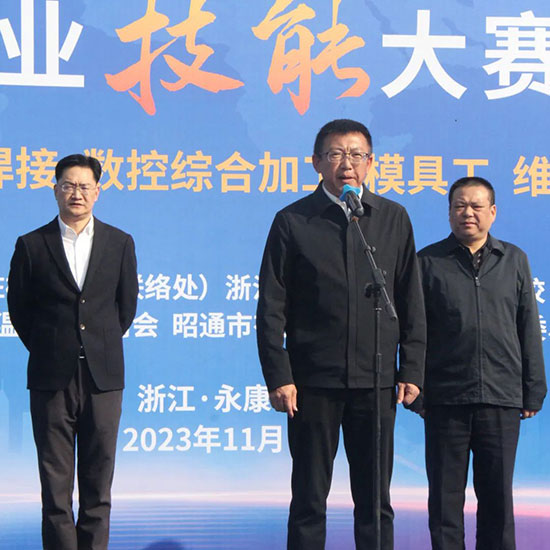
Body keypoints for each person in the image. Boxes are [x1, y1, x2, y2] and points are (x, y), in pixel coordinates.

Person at [256, 119, 426, 549]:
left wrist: (412, 368)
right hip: (313, 382)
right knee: (309, 498)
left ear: (370, 162)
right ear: (316, 162)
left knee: (375, 500)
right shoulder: (293, 220)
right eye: (335, 154)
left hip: (376, 381)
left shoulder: (392, 218)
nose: (346, 163)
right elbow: (271, 306)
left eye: (355, 154)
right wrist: (279, 375)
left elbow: (410, 299)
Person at [8, 154, 138, 550]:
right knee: (55, 486)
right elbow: (20, 310)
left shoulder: (119, 242)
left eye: (84, 186)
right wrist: (51, 346)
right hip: (51, 376)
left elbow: (126, 307)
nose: (76, 193)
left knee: (98, 484)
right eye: (68, 185)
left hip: (103, 378)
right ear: (55, 190)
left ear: (98, 192)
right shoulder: (32, 244)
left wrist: (95, 345)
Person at [418, 176, 547, 550]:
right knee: (444, 500)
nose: (468, 213)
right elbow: (414, 331)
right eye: (460, 205)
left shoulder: (514, 259)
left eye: (476, 206)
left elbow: (528, 325)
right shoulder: (427, 262)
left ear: (493, 212)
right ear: (449, 213)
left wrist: (533, 389)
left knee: (497, 501)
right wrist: (416, 387)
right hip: (446, 398)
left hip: (500, 397)